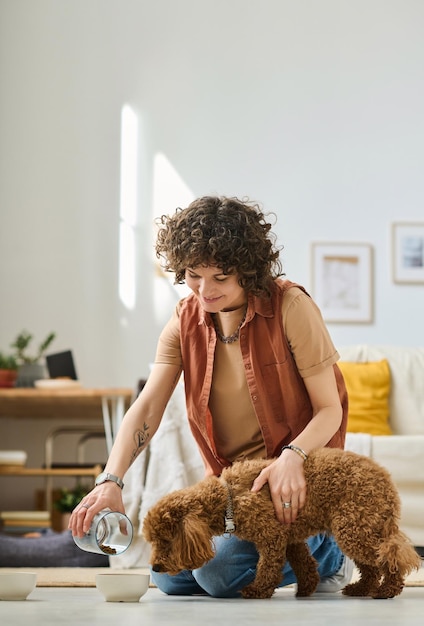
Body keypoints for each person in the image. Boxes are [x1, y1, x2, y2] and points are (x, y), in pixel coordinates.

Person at [69, 195, 353, 597]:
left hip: (295, 484)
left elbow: (329, 410)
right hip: (233, 491)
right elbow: (148, 405)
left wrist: (294, 455)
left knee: (217, 574)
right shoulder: (184, 320)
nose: (205, 290)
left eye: (220, 277)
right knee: (169, 574)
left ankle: (331, 553)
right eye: (193, 275)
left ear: (249, 270)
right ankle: (264, 555)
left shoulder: (292, 307)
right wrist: (111, 481)